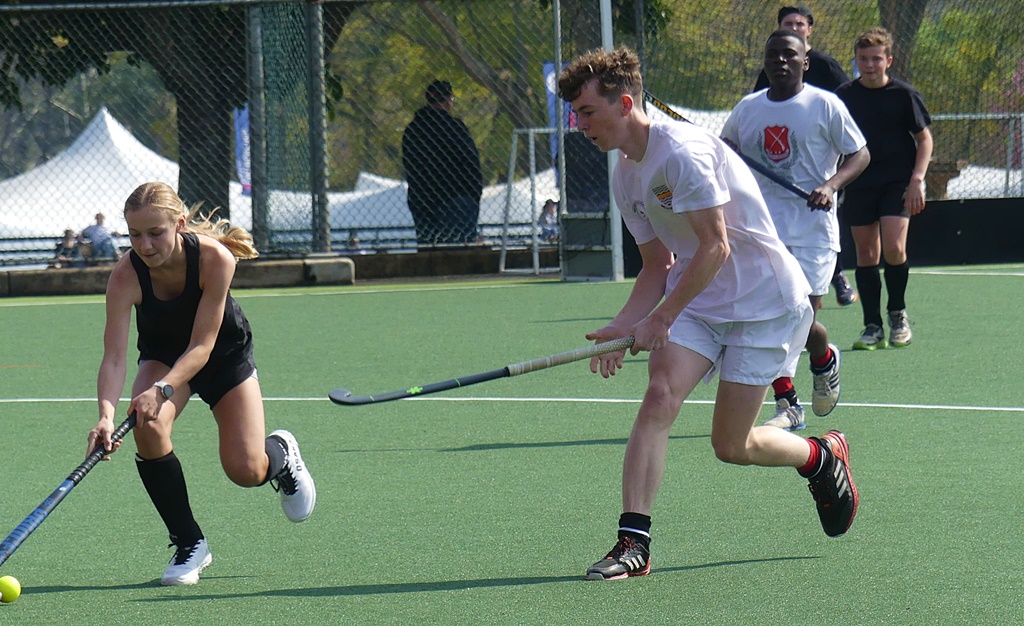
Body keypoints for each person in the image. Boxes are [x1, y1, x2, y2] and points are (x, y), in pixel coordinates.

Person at [556, 47, 859, 581]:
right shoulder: (625, 174)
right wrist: (626, 322)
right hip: (699, 300)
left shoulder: (682, 154)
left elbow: (714, 247)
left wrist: (660, 319)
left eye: (585, 112)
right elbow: (656, 264)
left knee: (731, 446)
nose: (578, 125)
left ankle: (819, 456)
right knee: (658, 397)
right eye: (575, 114)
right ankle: (634, 544)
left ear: (624, 103)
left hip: (763, 303)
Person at [86, 182, 316, 586]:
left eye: (155, 232)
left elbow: (202, 346)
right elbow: (115, 357)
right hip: (162, 355)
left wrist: (160, 390)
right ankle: (190, 543)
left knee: (245, 470)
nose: (145, 245)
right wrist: (105, 416)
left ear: (180, 224)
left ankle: (280, 452)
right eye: (134, 234)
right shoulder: (125, 276)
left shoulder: (215, 259)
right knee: (148, 426)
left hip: (222, 357)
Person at [722, 30, 869, 431]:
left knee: (795, 317)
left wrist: (830, 185)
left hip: (812, 233)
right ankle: (789, 400)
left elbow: (860, 153)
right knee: (770, 317)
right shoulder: (747, 109)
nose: (780, 61)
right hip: (761, 232)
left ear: (806, 61)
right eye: (772, 55)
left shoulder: (824, 105)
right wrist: (728, 156)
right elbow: (725, 152)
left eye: (789, 55)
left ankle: (820, 360)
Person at [752, 4, 859, 308]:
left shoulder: (825, 75)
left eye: (800, 24)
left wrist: (830, 184)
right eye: (788, 23)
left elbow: (853, 137)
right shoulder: (756, 97)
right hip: (773, 205)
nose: (794, 28)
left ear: (809, 30)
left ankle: (835, 273)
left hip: (819, 160)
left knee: (805, 308)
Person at [836, 28, 932, 350]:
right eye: (863, 59)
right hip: (859, 181)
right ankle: (871, 326)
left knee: (894, 249)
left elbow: (924, 139)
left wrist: (917, 179)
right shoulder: (843, 96)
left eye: (876, 59)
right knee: (867, 254)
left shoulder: (904, 94)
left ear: (888, 60)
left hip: (897, 182)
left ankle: (897, 314)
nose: (870, 65)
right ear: (856, 61)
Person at [401, 80, 484, 246]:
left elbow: (410, 166)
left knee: (429, 251)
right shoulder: (455, 128)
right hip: (455, 199)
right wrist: (473, 194)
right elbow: (471, 163)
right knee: (457, 252)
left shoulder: (413, 130)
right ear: (448, 101)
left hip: (422, 199)